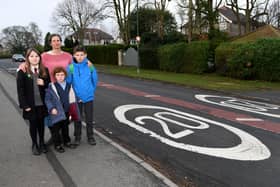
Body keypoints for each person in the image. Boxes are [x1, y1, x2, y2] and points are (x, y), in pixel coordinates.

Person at [16, 48, 50, 155]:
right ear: (28, 58)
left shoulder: (45, 70)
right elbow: (20, 90)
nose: (34, 58)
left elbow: (49, 85)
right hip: (30, 105)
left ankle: (42, 143)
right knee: (33, 125)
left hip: (42, 104)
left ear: (40, 57)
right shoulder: (23, 71)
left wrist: (44, 83)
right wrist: (24, 105)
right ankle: (34, 144)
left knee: (41, 125)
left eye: (36, 56)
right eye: (32, 56)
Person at [66, 45, 98, 146]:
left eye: (82, 55)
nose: (80, 57)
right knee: (77, 119)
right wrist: (74, 95)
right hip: (77, 98)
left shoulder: (90, 65)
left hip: (88, 97)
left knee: (89, 118)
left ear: (85, 55)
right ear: (73, 55)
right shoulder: (71, 67)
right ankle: (77, 137)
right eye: (77, 55)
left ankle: (90, 136)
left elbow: (95, 79)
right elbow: (69, 82)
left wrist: (91, 90)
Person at [45, 67, 77, 153]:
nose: (60, 77)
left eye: (62, 75)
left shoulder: (69, 85)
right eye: (58, 75)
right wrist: (51, 108)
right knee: (56, 129)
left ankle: (67, 141)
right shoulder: (51, 86)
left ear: (65, 75)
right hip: (56, 112)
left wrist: (72, 110)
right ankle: (57, 144)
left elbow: (72, 97)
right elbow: (48, 99)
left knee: (65, 127)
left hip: (66, 111)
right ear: (55, 76)